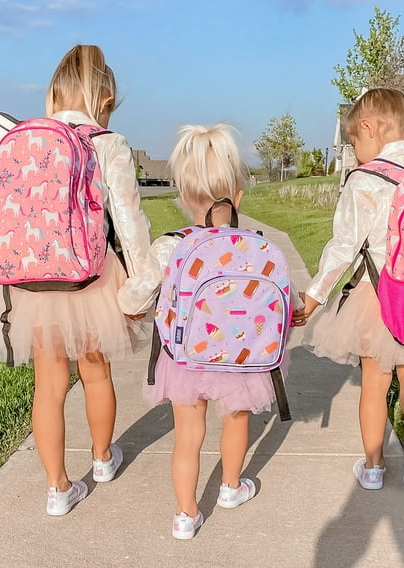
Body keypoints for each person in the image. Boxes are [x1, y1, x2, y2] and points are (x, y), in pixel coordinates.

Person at [0, 44, 153, 516]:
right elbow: (130, 224)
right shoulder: (108, 143)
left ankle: (57, 488)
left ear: (54, 93)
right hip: (88, 278)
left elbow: (4, 222)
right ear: (105, 100)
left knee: (48, 385)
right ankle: (103, 459)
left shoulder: (24, 138)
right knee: (96, 372)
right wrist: (141, 285)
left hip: (30, 283)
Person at [122, 124, 299, 540]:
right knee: (237, 421)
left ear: (183, 197)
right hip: (242, 358)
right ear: (238, 194)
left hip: (186, 357)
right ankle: (232, 487)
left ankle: (185, 515)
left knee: (188, 434)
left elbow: (134, 300)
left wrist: (132, 307)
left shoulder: (171, 246)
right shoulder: (257, 245)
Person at [296, 88, 404, 493]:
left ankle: (372, 467)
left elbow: (344, 245)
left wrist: (314, 295)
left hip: (379, 294)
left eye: (355, 140)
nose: (355, 150)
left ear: (370, 128)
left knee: (375, 379)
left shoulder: (366, 178)